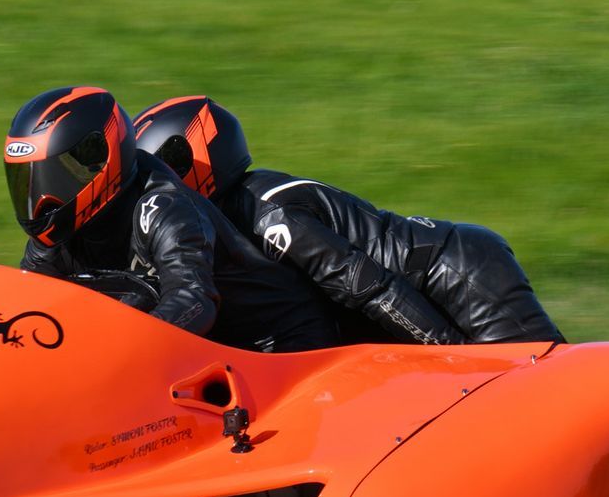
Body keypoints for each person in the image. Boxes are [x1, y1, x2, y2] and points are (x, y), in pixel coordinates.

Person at [131, 96, 565, 346]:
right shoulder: (232, 216)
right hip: (423, 285)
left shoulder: (268, 216)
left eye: (162, 167)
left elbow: (370, 288)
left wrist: (452, 362)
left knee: (544, 392)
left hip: (457, 276)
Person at [5, 86, 340, 354]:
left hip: (279, 347)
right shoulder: (56, 233)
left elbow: (193, 299)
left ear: (100, 162)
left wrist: (119, 353)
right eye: (26, 181)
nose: (40, 200)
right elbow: (29, 302)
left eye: (51, 180)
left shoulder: (164, 207)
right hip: (215, 349)